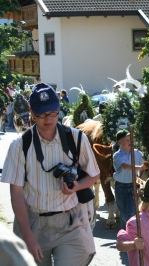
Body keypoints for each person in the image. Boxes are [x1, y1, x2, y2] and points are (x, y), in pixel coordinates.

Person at [0, 83, 100, 265]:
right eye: (42, 114)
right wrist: (28, 238)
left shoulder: (77, 138)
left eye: (53, 113)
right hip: (33, 223)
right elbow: (16, 195)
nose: (49, 119)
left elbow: (94, 175)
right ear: (32, 112)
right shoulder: (20, 146)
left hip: (70, 222)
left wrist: (78, 185)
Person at [113, 129, 147, 230]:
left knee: (131, 213)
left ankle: (132, 235)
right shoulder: (117, 155)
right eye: (127, 140)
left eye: (131, 139)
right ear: (119, 143)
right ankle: (125, 234)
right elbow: (125, 166)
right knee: (123, 214)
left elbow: (146, 162)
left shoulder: (138, 153)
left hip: (133, 186)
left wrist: (140, 175)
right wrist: (139, 168)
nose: (130, 142)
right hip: (121, 187)